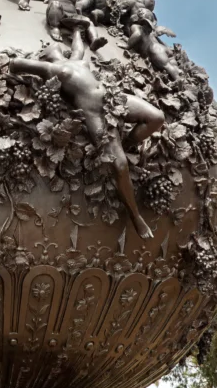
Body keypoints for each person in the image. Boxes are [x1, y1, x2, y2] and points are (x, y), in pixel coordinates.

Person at [10, 31, 164, 239]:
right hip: (94, 113)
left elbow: (78, 47)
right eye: (47, 47)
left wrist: (77, 29)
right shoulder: (50, 68)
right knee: (119, 166)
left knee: (156, 118)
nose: (52, 45)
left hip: (112, 98)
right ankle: (136, 216)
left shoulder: (74, 60)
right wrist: (20, 65)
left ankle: (126, 142)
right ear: (45, 55)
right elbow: (16, 63)